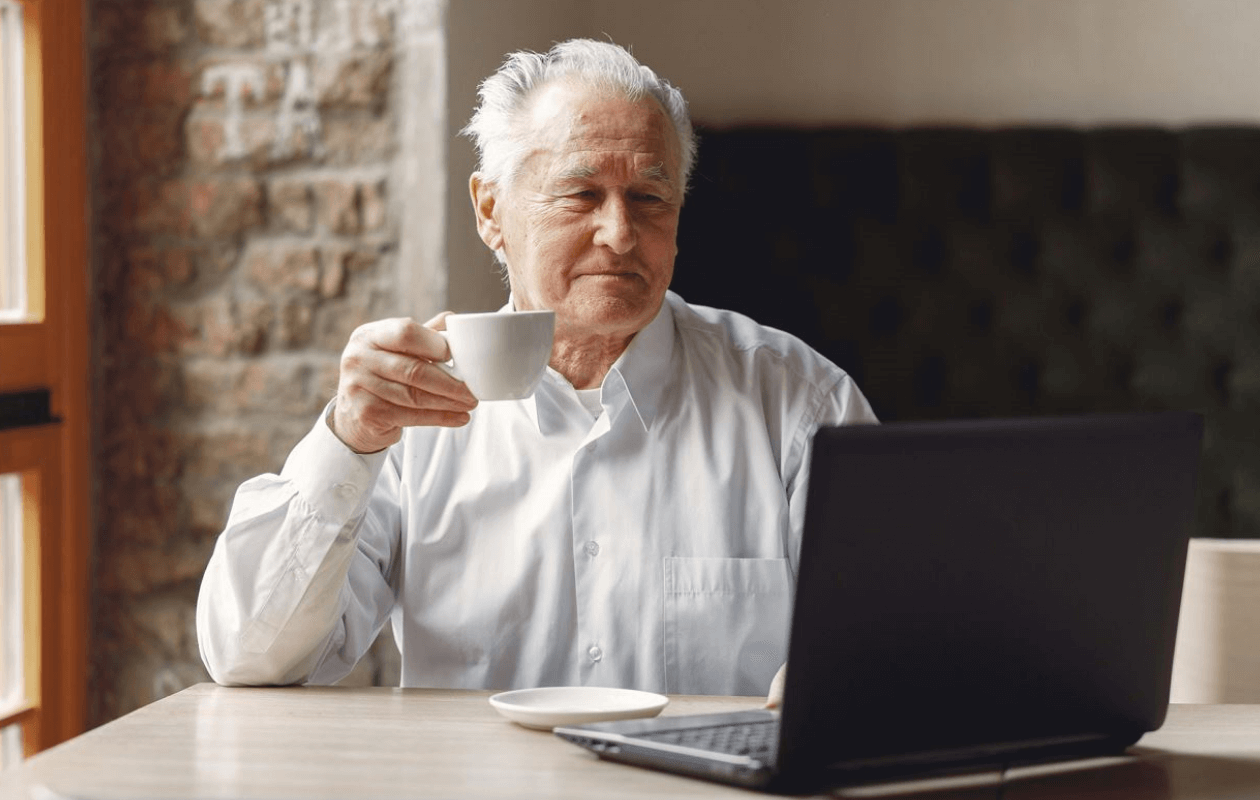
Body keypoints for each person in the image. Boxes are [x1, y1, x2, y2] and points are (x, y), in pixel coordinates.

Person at [196, 39, 877, 699]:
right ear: (491, 211)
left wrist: (849, 677)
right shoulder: (411, 413)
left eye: (650, 198)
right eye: (581, 194)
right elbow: (252, 657)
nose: (620, 233)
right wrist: (348, 441)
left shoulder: (800, 404)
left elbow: (893, 644)